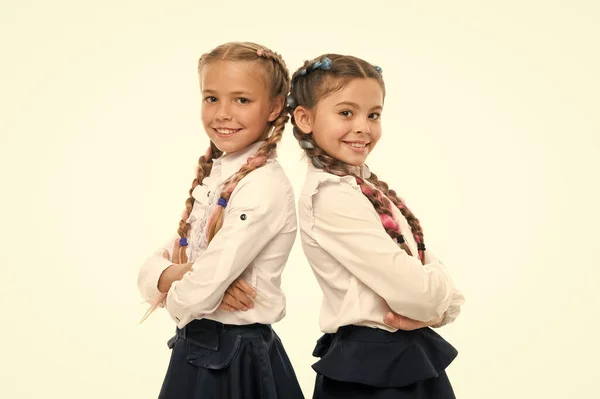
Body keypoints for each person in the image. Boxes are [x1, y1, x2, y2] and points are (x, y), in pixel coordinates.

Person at [287, 53, 465, 398]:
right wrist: (440, 298)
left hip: (398, 354)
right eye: (345, 112)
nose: (362, 127)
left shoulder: (360, 186)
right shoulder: (331, 196)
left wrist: (434, 303)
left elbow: (419, 274)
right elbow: (416, 291)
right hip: (373, 369)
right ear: (305, 118)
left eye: (374, 115)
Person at [137, 42, 304, 399]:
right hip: (196, 350)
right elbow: (151, 272)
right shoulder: (218, 176)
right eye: (211, 98)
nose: (223, 113)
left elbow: (197, 293)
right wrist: (183, 276)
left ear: (275, 107)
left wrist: (183, 289)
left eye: (242, 100)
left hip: (235, 358)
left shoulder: (263, 185)